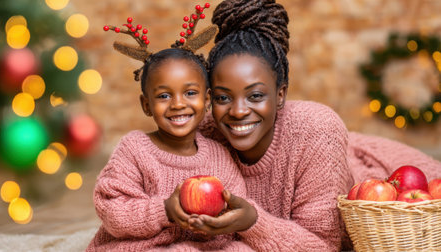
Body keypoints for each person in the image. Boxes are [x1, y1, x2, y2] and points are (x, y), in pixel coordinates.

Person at [167, 0, 440, 251]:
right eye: (223, 97)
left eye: (256, 95)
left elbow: (323, 245)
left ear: (281, 93)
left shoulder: (316, 130)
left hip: (387, 184)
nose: (238, 111)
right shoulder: (201, 132)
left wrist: (253, 223)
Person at [86, 46, 254, 251]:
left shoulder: (219, 156)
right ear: (146, 105)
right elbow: (112, 211)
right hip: (140, 247)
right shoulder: (134, 149)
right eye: (164, 96)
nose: (178, 104)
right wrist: (164, 210)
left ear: (207, 99)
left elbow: (237, 205)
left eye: (190, 93)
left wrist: (221, 222)